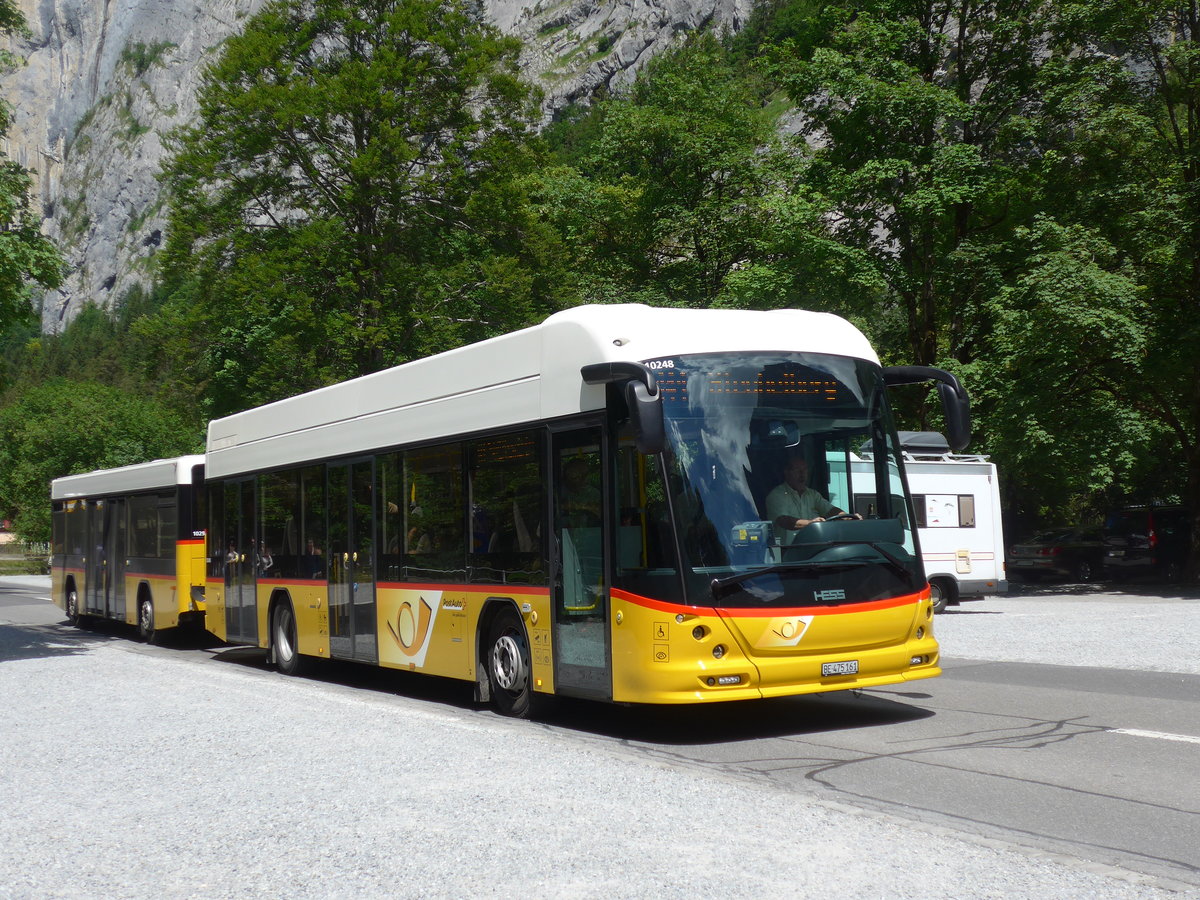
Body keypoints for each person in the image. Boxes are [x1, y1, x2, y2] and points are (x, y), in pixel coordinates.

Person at [765, 456, 859, 544]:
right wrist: (811, 524)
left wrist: (848, 517)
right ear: (786, 472)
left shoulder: (813, 494)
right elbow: (783, 521)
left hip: (813, 550)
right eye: (797, 470)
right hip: (786, 553)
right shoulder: (777, 495)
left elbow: (831, 510)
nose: (802, 474)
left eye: (805, 470)